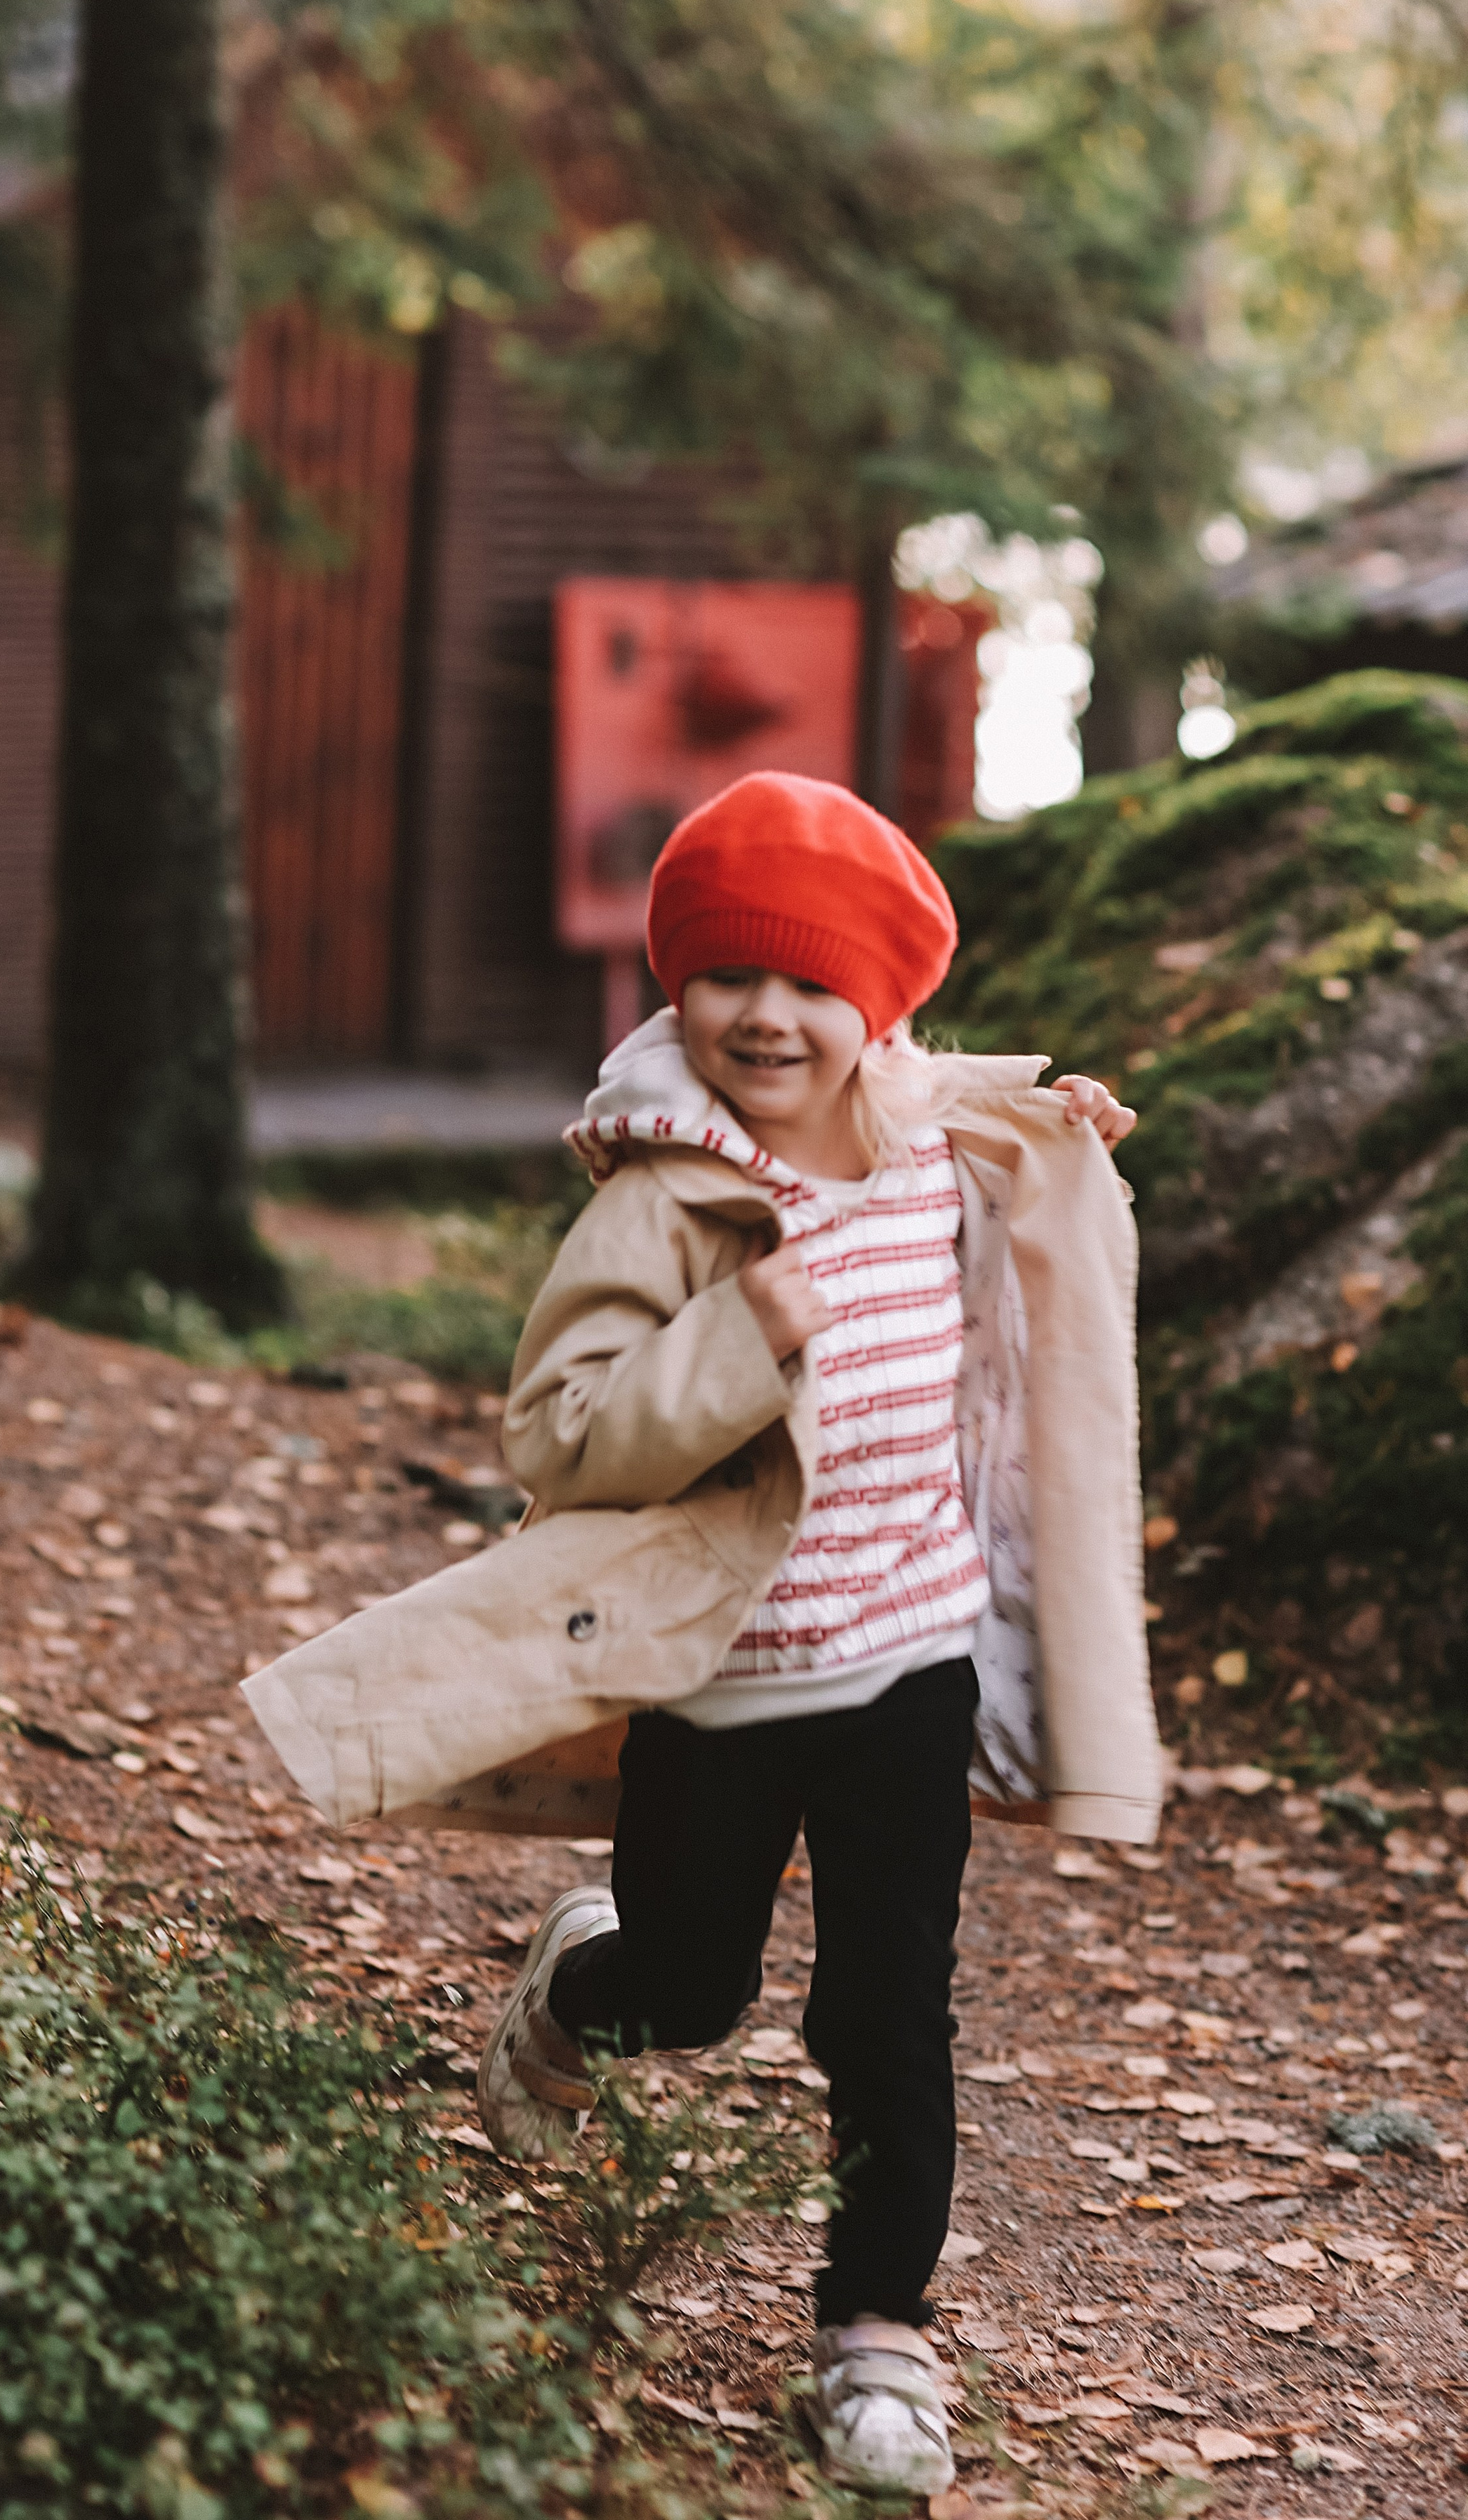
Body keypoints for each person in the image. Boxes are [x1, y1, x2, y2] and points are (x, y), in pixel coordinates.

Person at [242, 770, 1161, 2498]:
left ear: (876, 1009)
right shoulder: (661, 1204)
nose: (768, 1015)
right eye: (730, 976)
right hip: (718, 1680)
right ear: (678, 990)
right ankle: (582, 1987)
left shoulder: (926, 1141)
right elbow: (560, 1433)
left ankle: (876, 2329)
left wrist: (1060, 1120)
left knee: (889, 2012)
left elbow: (977, 1120)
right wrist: (742, 1326)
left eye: (814, 984)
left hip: (903, 1663)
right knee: (694, 1986)